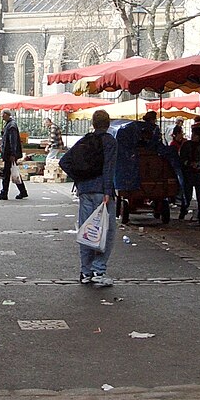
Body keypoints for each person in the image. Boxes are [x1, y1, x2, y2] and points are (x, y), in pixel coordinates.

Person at [76, 109, 118, 287]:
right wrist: (108, 190)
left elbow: (65, 161)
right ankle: (98, 271)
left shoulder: (85, 141)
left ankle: (85, 272)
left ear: (93, 124)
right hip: (103, 191)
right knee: (106, 231)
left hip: (85, 190)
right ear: (108, 124)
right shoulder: (110, 141)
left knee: (87, 231)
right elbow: (109, 167)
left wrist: (79, 181)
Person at [178, 125, 200, 224]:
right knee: (187, 196)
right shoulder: (186, 145)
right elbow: (181, 159)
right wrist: (189, 164)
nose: (193, 136)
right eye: (193, 134)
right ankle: (183, 211)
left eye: (195, 135)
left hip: (199, 174)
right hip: (188, 173)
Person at [0, 109, 27, 200]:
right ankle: (22, 192)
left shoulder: (11, 126)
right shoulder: (9, 124)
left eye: (2, 114)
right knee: (12, 172)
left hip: (9, 154)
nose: (1, 116)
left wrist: (12, 154)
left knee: (7, 174)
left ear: (6, 114)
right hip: (9, 154)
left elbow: (13, 141)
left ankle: (4, 193)